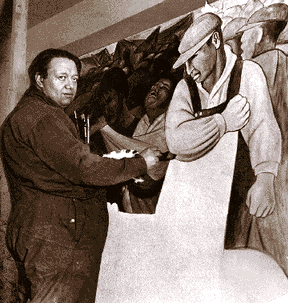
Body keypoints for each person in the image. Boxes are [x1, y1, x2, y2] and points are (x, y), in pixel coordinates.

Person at [0, 48, 163, 303]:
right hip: (57, 240)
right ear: (40, 80)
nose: (70, 86)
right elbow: (83, 167)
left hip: (52, 237)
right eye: (61, 77)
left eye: (75, 79)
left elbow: (64, 171)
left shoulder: (35, 114)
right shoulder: (42, 117)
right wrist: (141, 163)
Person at [155, 12, 282, 299]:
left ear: (215, 41)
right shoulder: (184, 89)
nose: (190, 69)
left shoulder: (247, 73)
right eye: (185, 61)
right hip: (196, 203)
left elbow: (262, 126)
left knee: (240, 274)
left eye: (195, 56)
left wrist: (264, 178)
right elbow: (177, 139)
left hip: (237, 197)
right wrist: (222, 122)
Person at [232, 3, 288, 275]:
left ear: (256, 34)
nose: (240, 42)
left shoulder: (256, 68)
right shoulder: (285, 61)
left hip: (264, 181)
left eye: (244, 35)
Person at [122, 74, 177, 213]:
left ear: (171, 99)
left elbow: (145, 147)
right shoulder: (144, 121)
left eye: (164, 87)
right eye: (155, 85)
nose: (156, 88)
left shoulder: (171, 122)